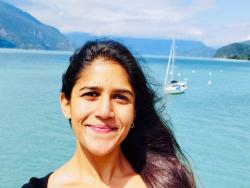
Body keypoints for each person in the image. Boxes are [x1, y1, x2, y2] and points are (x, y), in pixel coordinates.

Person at [22, 39, 196, 188]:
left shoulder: (167, 183)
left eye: (120, 97)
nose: (105, 112)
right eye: (91, 94)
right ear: (66, 104)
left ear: (134, 111)